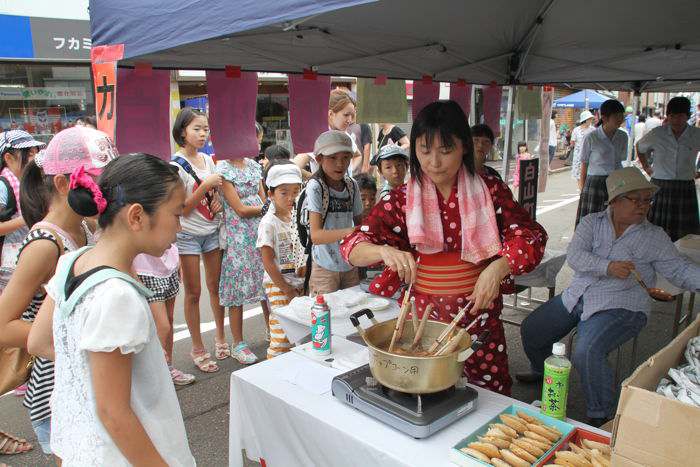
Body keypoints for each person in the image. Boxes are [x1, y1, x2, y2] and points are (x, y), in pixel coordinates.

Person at [341, 101, 547, 395]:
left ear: (464, 146)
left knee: (489, 396)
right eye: (424, 151)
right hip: (421, 324)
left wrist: (499, 266)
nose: (434, 162)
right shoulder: (400, 200)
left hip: (479, 318)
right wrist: (384, 252)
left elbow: (531, 237)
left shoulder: (491, 191)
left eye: (445, 150)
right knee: (425, 394)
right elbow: (352, 246)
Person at [26, 153, 195, 466]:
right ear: (136, 217)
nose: (179, 228)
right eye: (176, 214)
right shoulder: (117, 297)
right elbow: (113, 413)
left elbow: (38, 341)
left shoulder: (71, 263)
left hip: (80, 447)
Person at [518, 167, 700, 426]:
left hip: (622, 305)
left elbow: (680, 270)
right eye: (635, 199)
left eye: (647, 199)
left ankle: (601, 416)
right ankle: (542, 370)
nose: (643, 206)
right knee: (532, 329)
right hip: (577, 295)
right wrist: (608, 266)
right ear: (615, 201)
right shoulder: (592, 223)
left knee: (586, 350)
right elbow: (576, 256)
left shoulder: (654, 237)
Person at [0, 126, 114, 458]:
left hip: (80, 371)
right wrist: (72, 334)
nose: (100, 190)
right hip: (55, 383)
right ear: (63, 184)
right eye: (92, 180)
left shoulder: (83, 225)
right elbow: (4, 324)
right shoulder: (44, 244)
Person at [170, 107, 226, 373]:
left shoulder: (208, 160)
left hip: (211, 231)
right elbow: (180, 208)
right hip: (188, 235)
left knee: (216, 288)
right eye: (197, 129)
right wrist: (205, 186)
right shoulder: (176, 165)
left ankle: (221, 337)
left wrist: (215, 200)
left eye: (205, 129)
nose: (203, 133)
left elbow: (213, 195)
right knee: (193, 293)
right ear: (182, 131)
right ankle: (197, 347)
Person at [217, 154, 267, 364]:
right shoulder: (223, 169)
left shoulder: (254, 166)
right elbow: (240, 209)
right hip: (238, 236)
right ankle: (238, 343)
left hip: (260, 231)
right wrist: (268, 209)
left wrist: (267, 209)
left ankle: (273, 329)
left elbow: (263, 197)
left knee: (268, 282)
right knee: (236, 288)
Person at [256, 163, 305, 358]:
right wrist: (285, 288)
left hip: (298, 283)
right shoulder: (269, 223)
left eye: (295, 191)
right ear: (270, 194)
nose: (291, 197)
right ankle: (273, 368)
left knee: (299, 331)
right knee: (281, 333)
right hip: (278, 286)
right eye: (284, 193)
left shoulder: (296, 216)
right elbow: (267, 262)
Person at [307, 130, 363, 295]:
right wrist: (351, 232)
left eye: (345, 157)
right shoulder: (316, 186)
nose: (340, 164)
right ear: (319, 159)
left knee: (352, 312)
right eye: (332, 158)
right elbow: (316, 236)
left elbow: (360, 223)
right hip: (324, 267)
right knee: (324, 316)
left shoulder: (352, 185)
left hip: (350, 263)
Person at [637, 96, 700, 241]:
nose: (676, 120)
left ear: (687, 117)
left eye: (680, 116)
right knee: (656, 228)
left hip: (685, 187)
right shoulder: (657, 133)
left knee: (685, 232)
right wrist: (646, 167)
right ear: (668, 116)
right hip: (660, 185)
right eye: (672, 116)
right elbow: (640, 148)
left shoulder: (696, 134)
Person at [133, 246, 195, 385]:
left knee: (169, 320)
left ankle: (168, 367)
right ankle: (155, 375)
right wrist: (131, 271)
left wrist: (176, 256)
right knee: (162, 325)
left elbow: (173, 229)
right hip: (145, 269)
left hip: (169, 264)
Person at [0, 130, 45, 292]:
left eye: (35, 152)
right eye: (28, 153)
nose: (33, 158)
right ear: (8, 158)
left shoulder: (29, 181)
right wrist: (28, 218)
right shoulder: (3, 186)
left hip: (27, 257)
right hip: (9, 265)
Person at [575, 99, 627, 225]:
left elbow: (621, 160)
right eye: (617, 117)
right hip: (595, 183)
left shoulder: (623, 136)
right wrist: (583, 190)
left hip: (616, 181)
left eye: (622, 116)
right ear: (604, 118)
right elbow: (584, 163)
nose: (621, 120)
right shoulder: (592, 137)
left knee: (614, 220)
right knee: (592, 221)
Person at [293, 89, 363, 179]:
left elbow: (358, 155)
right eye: (346, 115)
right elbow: (294, 167)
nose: (349, 120)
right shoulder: (319, 138)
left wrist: (348, 171)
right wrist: (314, 179)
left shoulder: (345, 135)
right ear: (331, 114)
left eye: (352, 115)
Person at [570, 111, 596, 190]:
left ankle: (586, 189)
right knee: (578, 174)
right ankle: (581, 191)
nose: (591, 121)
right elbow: (572, 142)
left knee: (588, 173)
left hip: (590, 155)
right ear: (585, 119)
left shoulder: (593, 130)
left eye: (591, 119)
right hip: (578, 155)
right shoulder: (576, 130)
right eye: (589, 119)